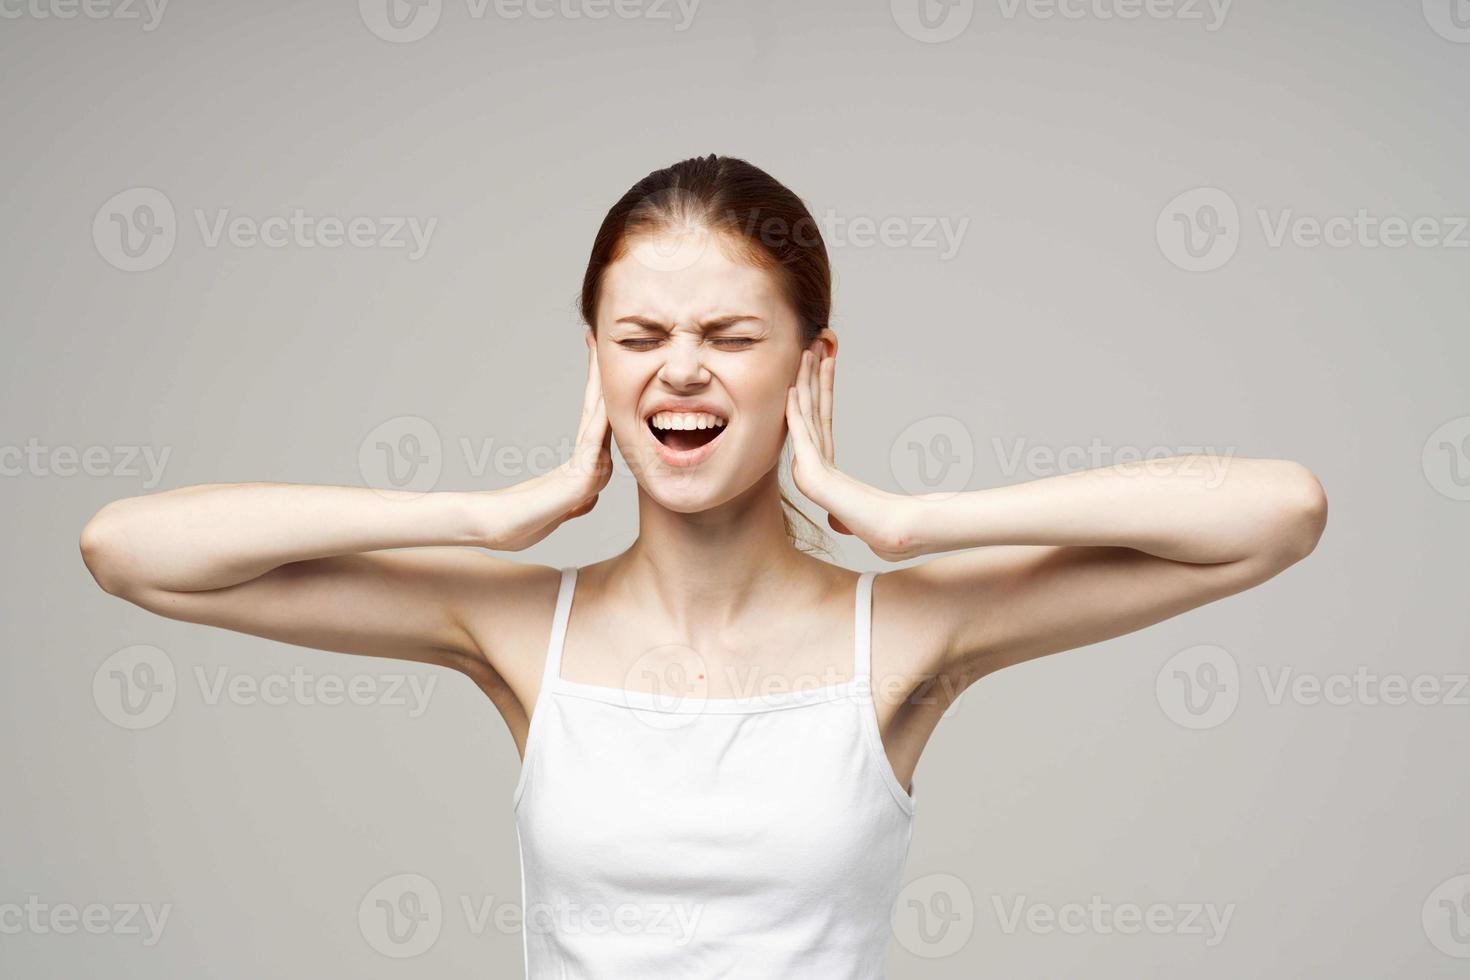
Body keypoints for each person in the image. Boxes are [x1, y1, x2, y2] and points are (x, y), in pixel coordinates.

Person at [78, 154, 1328, 978]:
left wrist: (911, 522)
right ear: (598, 367)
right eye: (640, 336)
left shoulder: (898, 636)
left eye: (730, 335)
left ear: (808, 365)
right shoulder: (520, 626)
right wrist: (483, 516)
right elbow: (131, 550)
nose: (681, 369)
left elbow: (1276, 512)